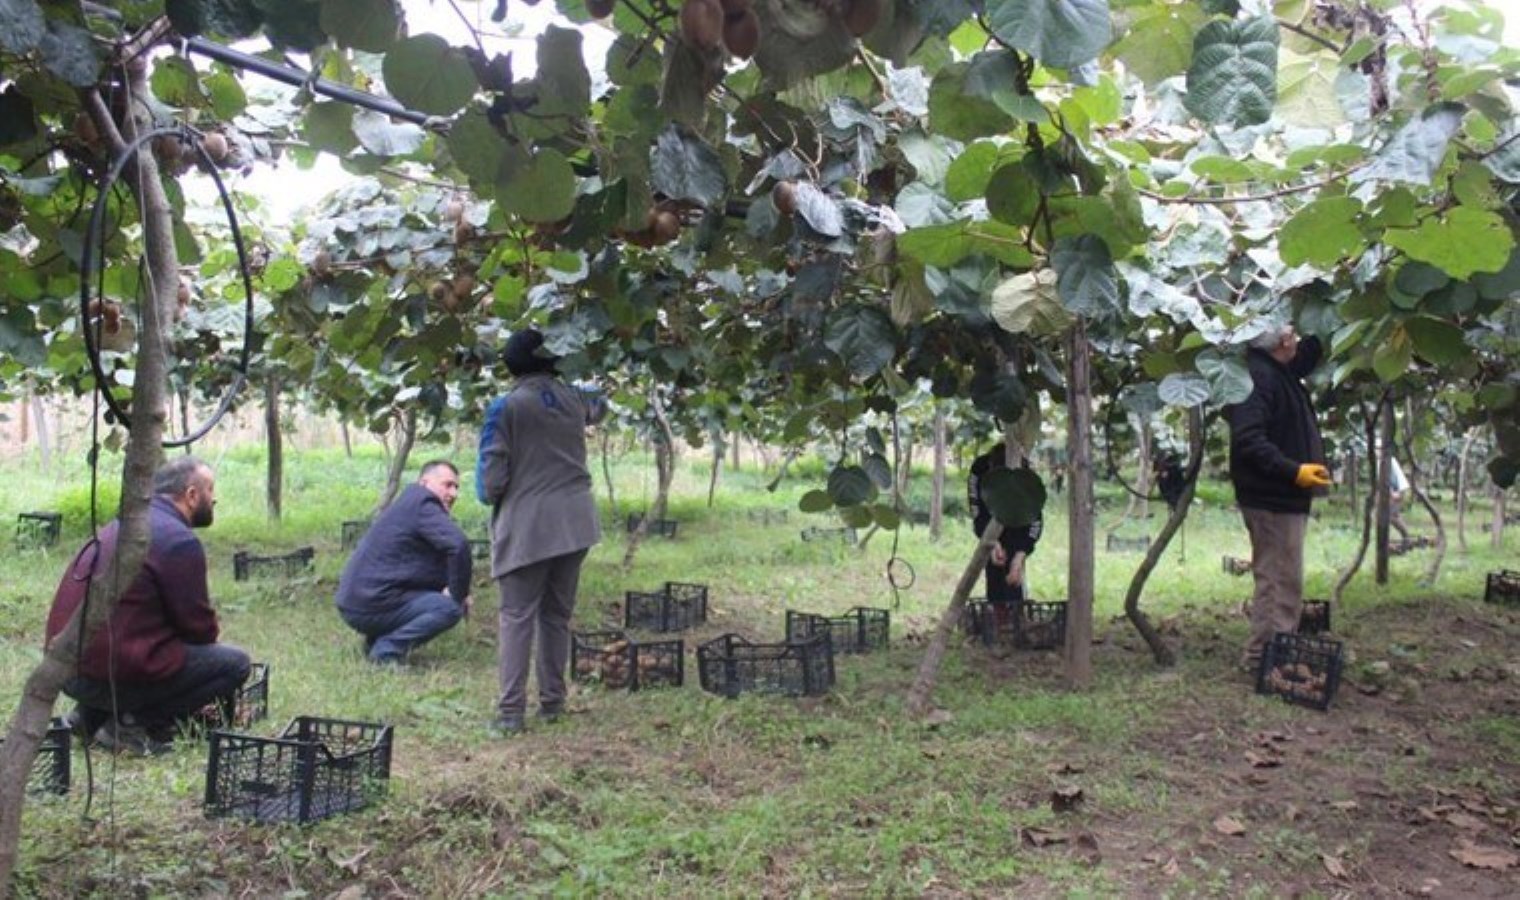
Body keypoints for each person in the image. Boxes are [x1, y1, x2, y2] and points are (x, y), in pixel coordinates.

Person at [45, 456, 251, 755]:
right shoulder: (178, 541)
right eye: (210, 489)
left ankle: (89, 716)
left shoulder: (121, 525)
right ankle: (130, 724)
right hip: (110, 678)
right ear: (192, 495)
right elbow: (200, 631)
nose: (214, 498)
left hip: (68, 673)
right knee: (235, 664)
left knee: (128, 644)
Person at [480, 328, 606, 735]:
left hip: (530, 525)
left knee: (517, 615)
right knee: (556, 615)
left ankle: (510, 713)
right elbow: (600, 404)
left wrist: (492, 494)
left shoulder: (506, 408)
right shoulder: (575, 401)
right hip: (576, 522)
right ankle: (553, 702)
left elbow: (491, 483)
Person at [1226, 322, 1330, 672]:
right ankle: (1263, 660)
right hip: (1271, 497)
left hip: (1283, 498)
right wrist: (1293, 470)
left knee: (1286, 577)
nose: (1298, 338)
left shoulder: (1276, 370)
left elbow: (1307, 357)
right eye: (1294, 333)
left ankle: (1276, 652)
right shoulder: (1258, 378)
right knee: (1277, 578)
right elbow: (1248, 440)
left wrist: (1324, 314)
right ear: (1284, 342)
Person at [335, 460, 473, 666]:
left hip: (356, 602)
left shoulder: (409, 504)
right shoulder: (423, 503)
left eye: (456, 487)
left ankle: (375, 641)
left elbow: (420, 564)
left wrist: (453, 585)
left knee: (445, 600)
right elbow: (459, 545)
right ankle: (386, 651)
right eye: (447, 485)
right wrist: (458, 593)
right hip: (367, 605)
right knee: (450, 608)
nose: (454, 493)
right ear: (424, 483)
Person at [967, 441, 1045, 636]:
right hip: (990, 520)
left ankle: (1015, 615)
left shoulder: (1026, 477)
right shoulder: (979, 471)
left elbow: (1035, 521)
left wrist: (1020, 555)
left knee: (1013, 572)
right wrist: (992, 542)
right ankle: (999, 614)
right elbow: (977, 510)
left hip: (1019, 524)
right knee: (994, 567)